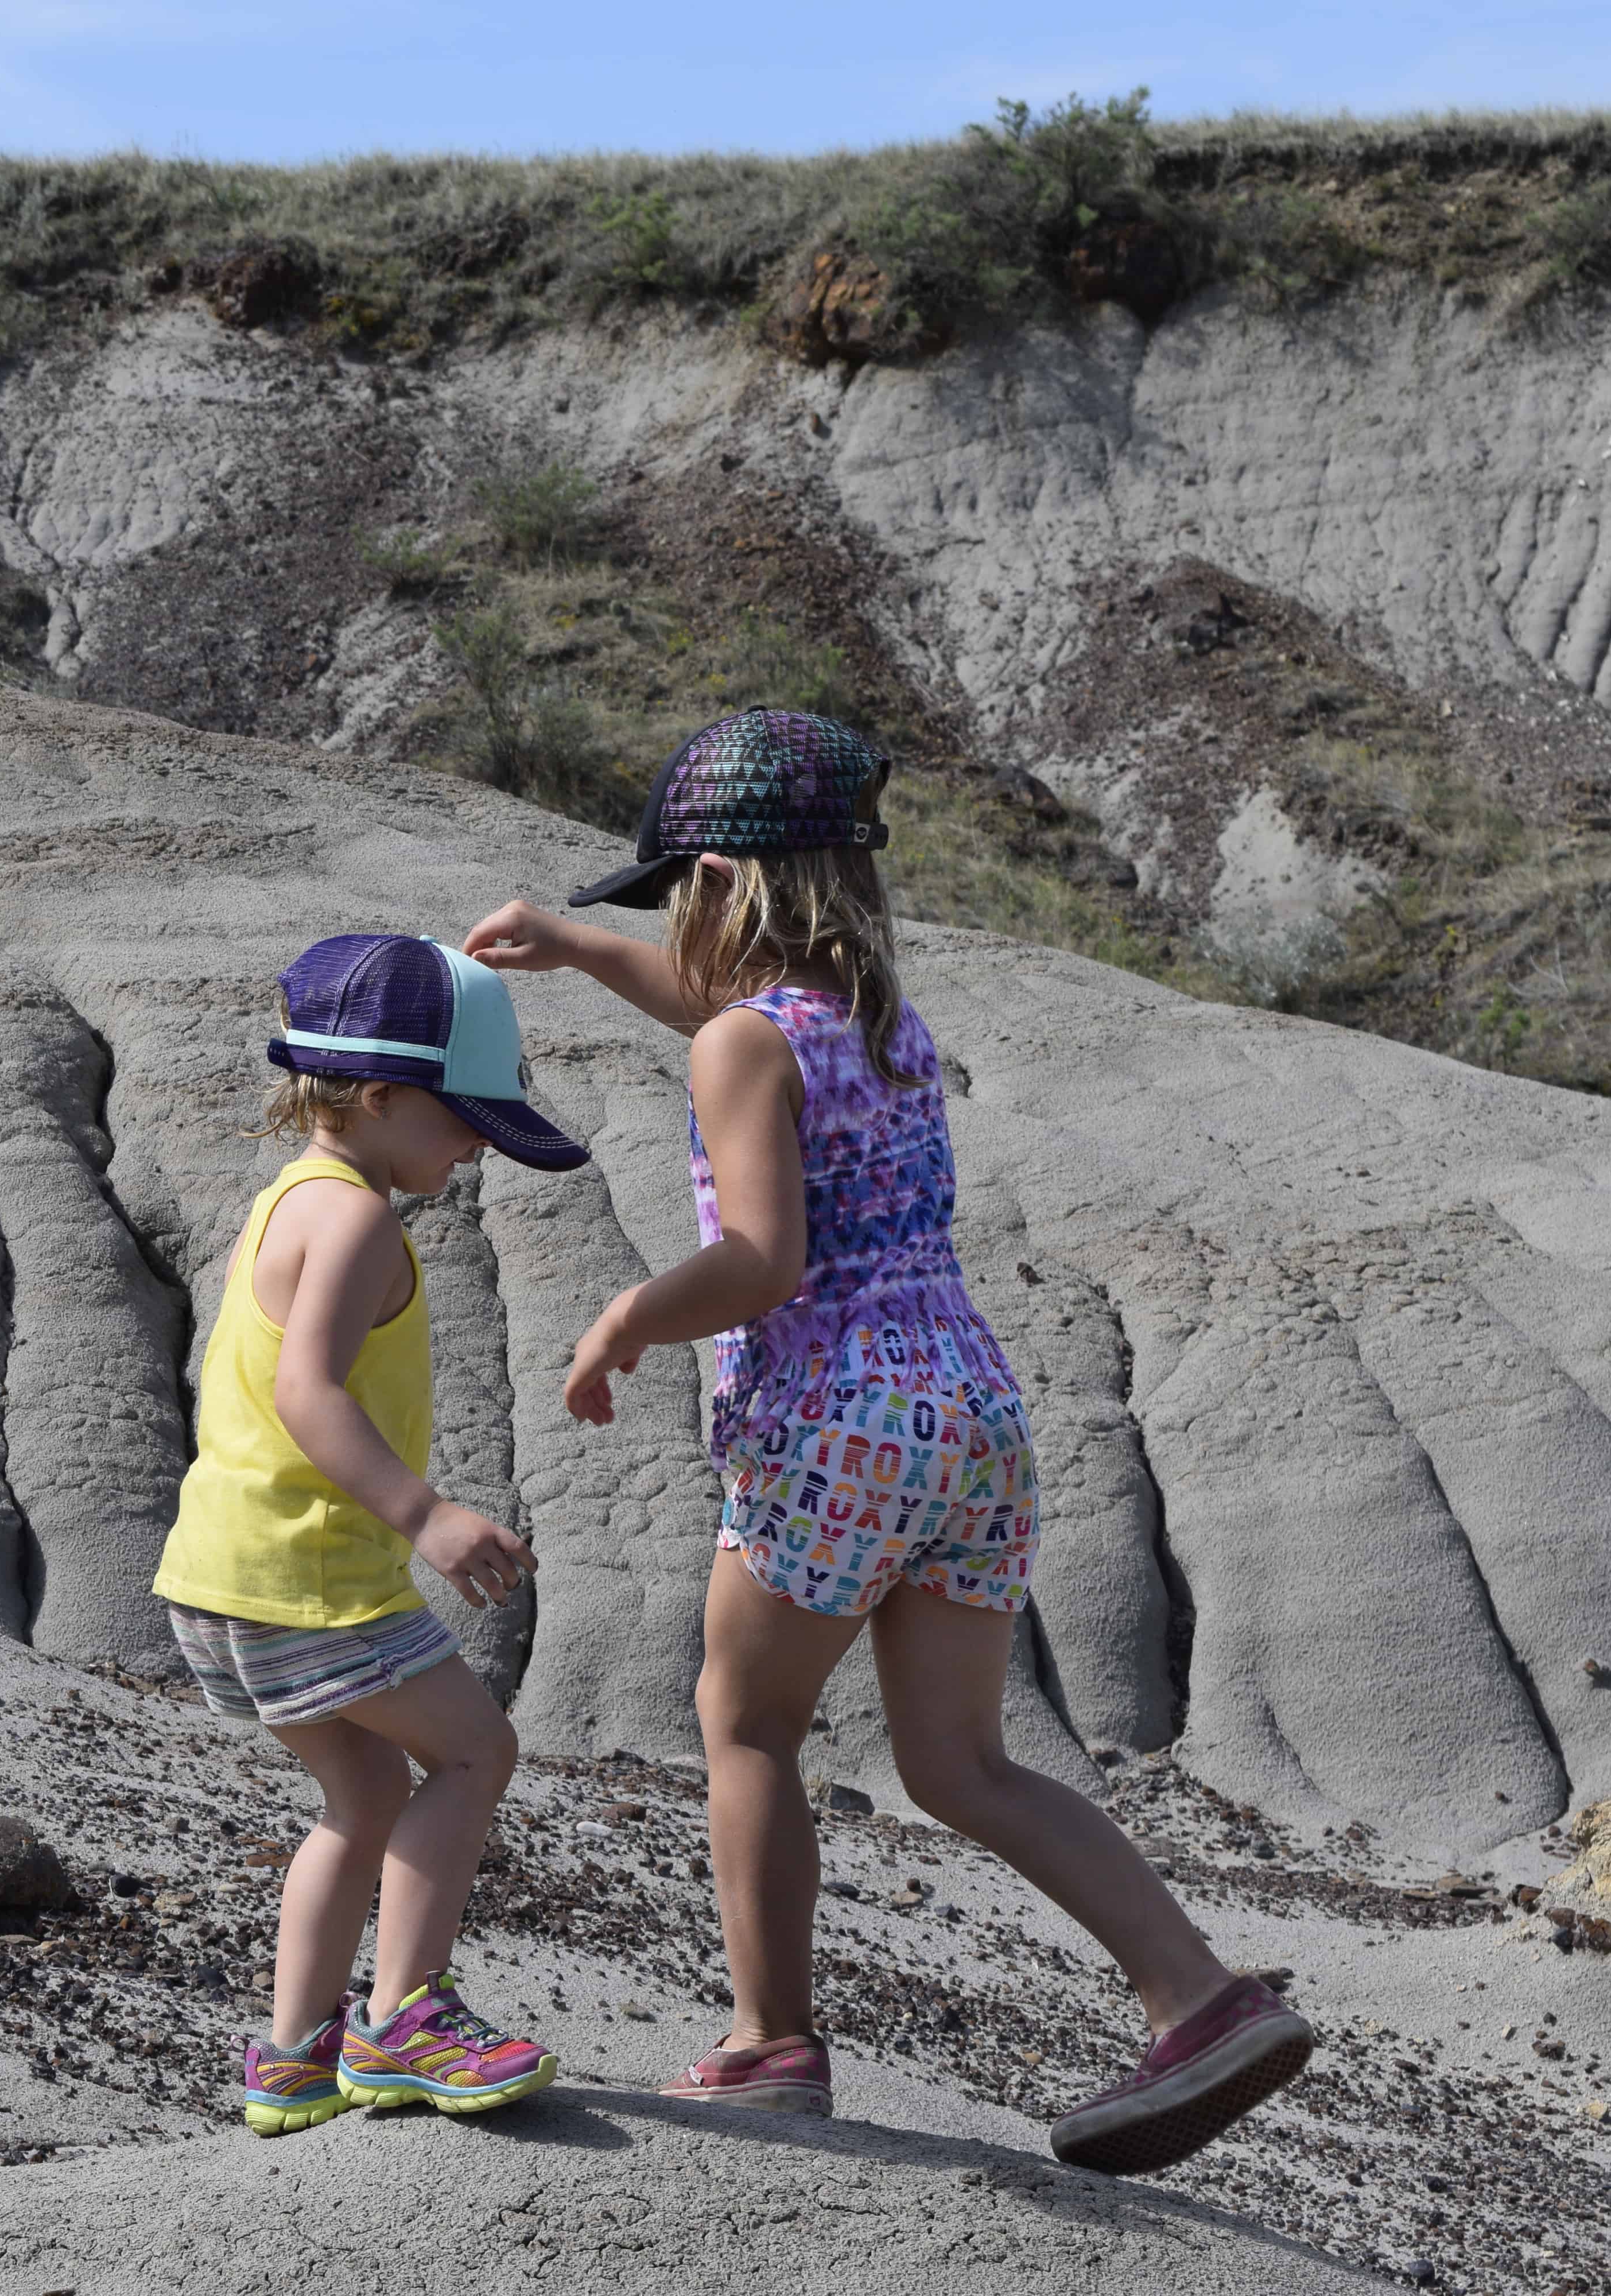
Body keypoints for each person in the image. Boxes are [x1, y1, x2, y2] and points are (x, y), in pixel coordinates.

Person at [463, 707, 1314, 2178]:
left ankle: (768, 2040)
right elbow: (729, 1023)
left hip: (835, 1423)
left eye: (671, 895)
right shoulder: (877, 1021)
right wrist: (583, 944)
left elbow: (764, 1260)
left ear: (722, 883)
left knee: (743, 1724)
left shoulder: (743, 1041)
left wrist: (624, 1317)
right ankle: (1201, 1995)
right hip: (970, 1416)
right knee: (966, 1763)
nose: (666, 922)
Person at [152, 932, 591, 2136]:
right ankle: (405, 2016)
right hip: (312, 1572)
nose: (479, 1142)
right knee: (474, 1752)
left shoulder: (291, 1197)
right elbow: (308, 1394)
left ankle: (294, 2052)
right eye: (467, 1116)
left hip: (224, 1574)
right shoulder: (355, 1223)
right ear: (382, 1093)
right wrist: (430, 1514)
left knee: (362, 1789)